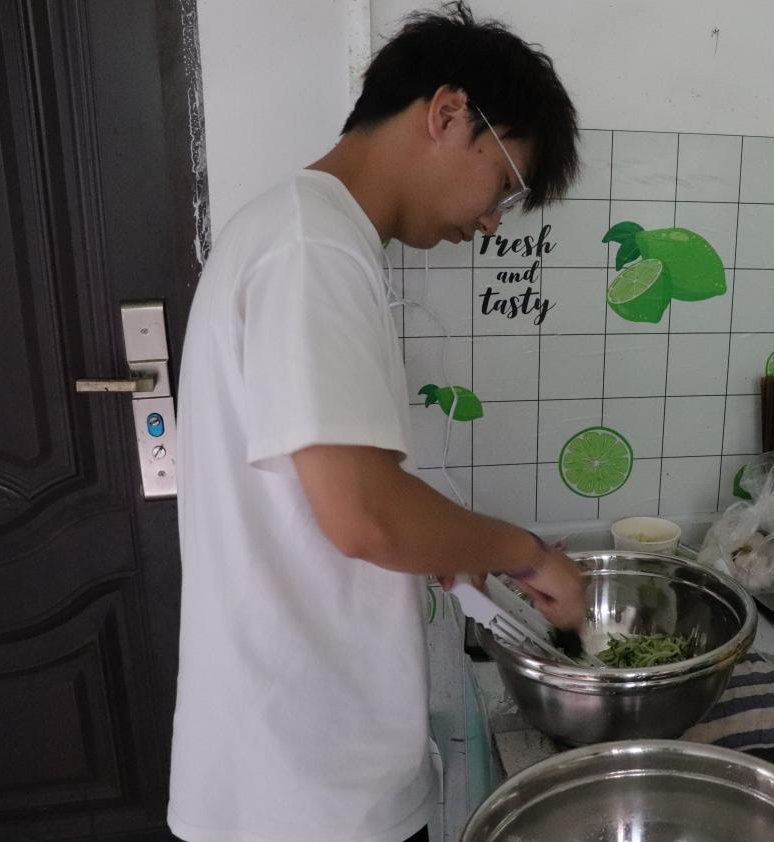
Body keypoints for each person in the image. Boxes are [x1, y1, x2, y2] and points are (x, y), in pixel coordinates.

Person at [167, 4, 584, 841]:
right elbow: (362, 515)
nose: (490, 222)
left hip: (287, 765)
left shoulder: (296, 231)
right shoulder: (312, 249)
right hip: (309, 789)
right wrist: (528, 555)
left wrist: (442, 545)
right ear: (447, 113)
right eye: (505, 184)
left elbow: (327, 498)